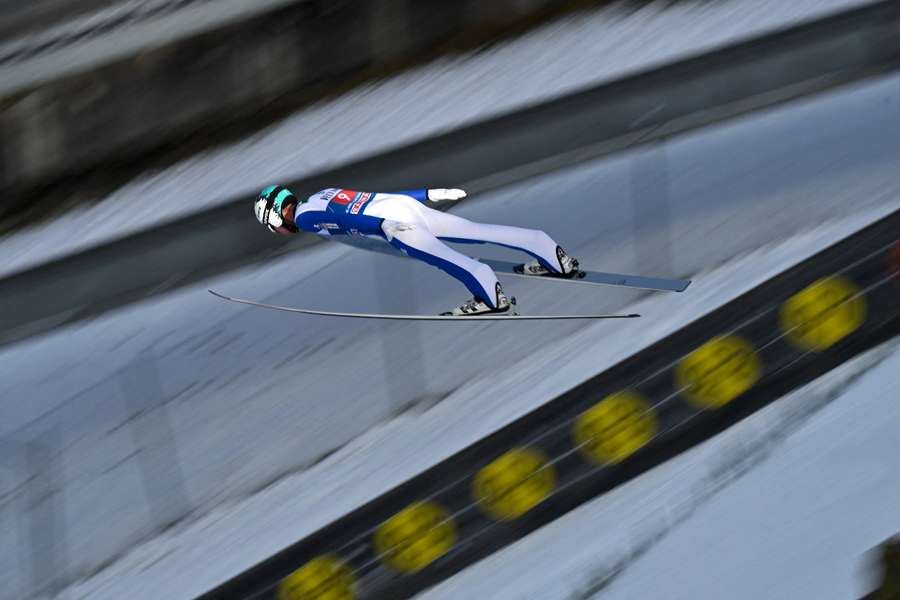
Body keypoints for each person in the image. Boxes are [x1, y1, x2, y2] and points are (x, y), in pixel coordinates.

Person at [253, 185, 580, 316]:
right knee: (476, 232)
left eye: (273, 226)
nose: (280, 231)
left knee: (447, 259)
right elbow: (371, 197)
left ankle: (491, 298)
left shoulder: (308, 218)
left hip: (393, 222)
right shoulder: (322, 193)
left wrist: (382, 228)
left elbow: (347, 219)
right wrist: (427, 193)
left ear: (276, 215)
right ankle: (550, 252)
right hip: (404, 205)